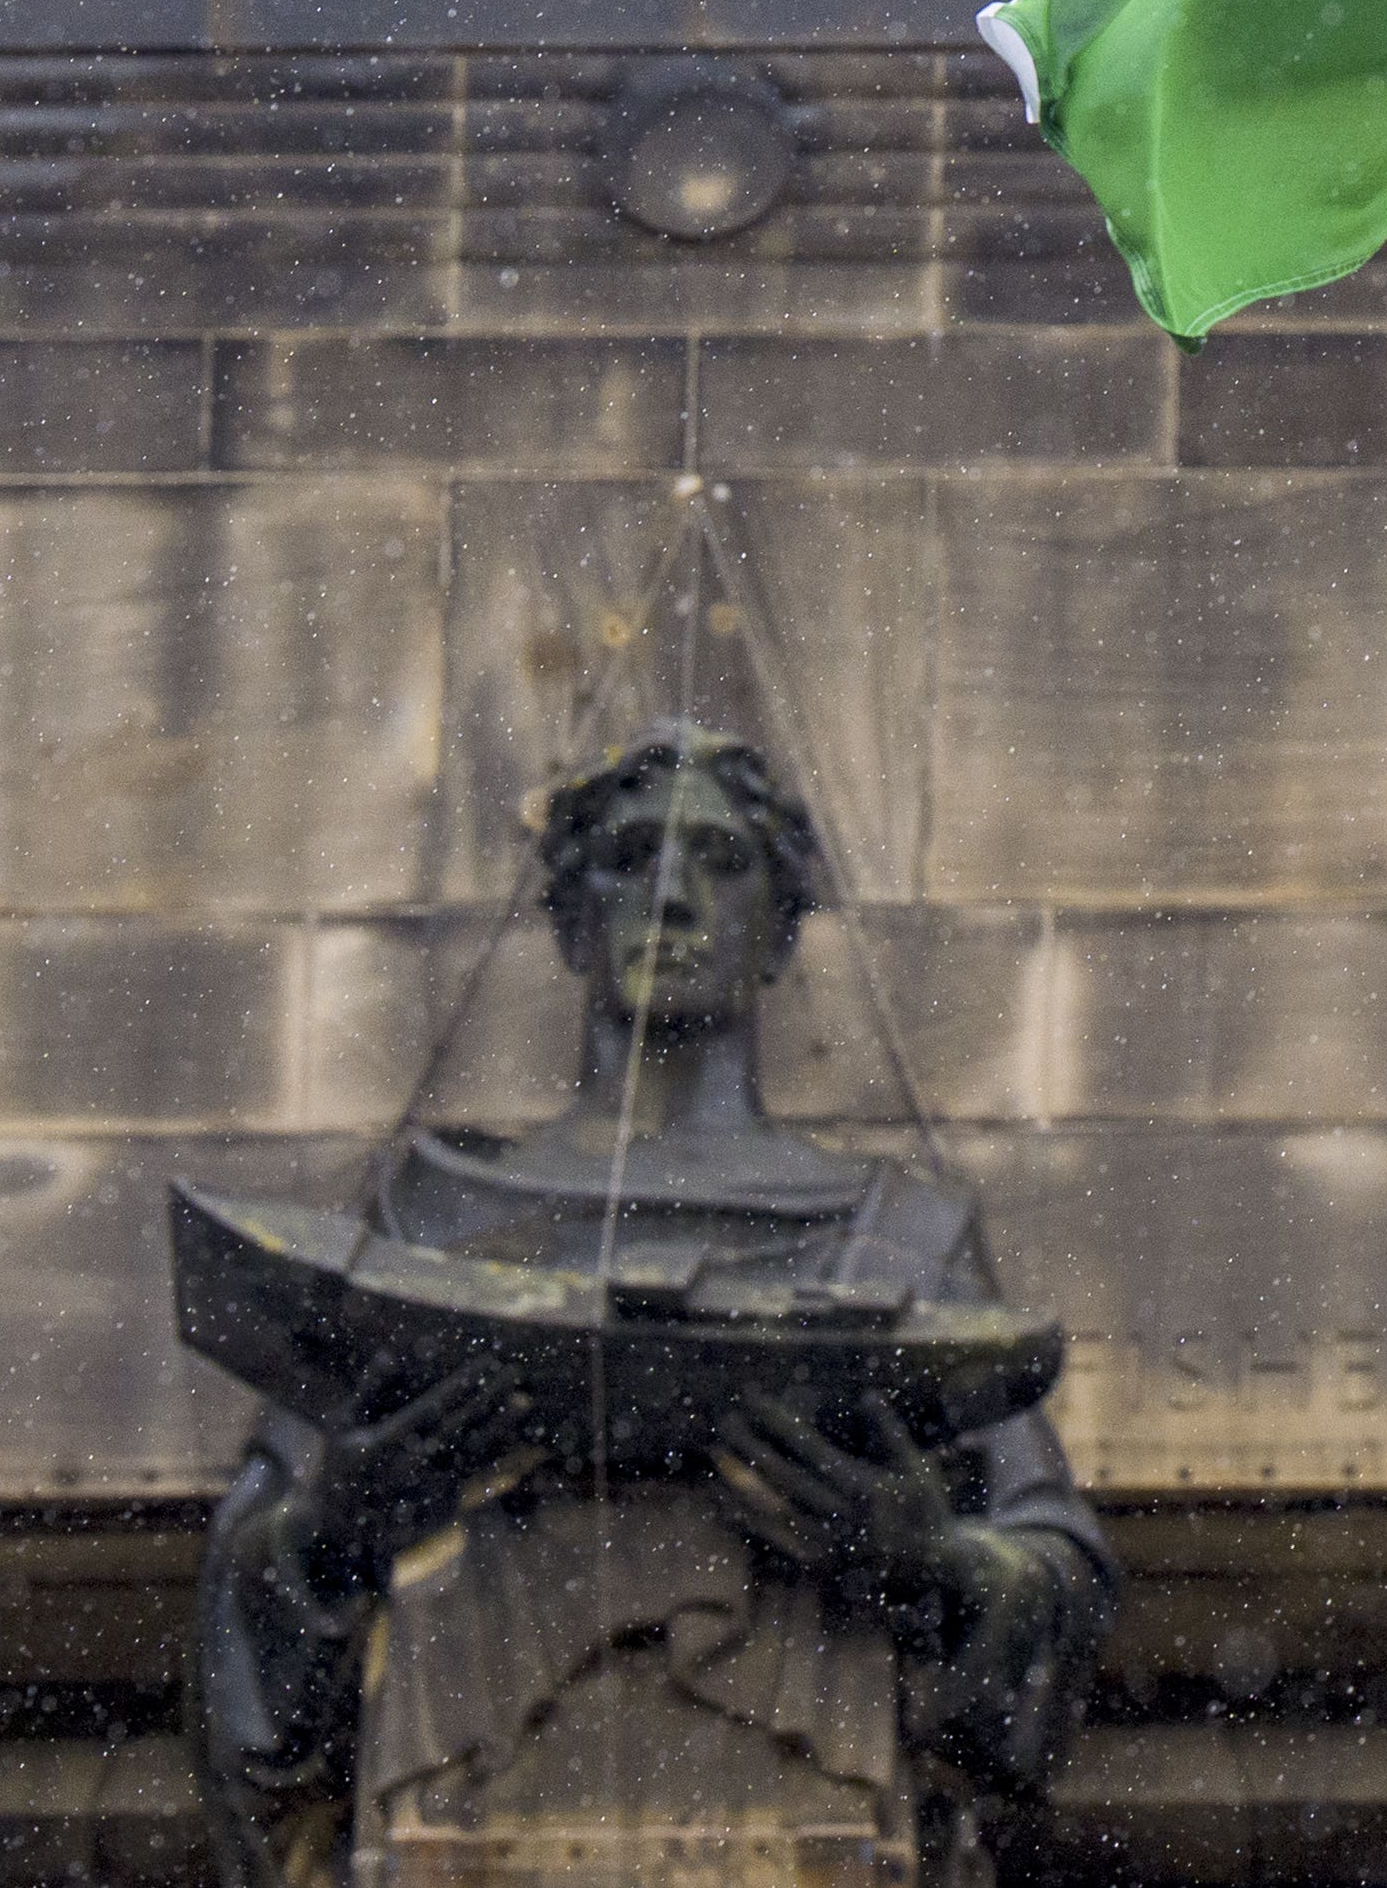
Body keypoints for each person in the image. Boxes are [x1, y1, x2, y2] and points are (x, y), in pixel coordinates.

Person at [195, 733, 1112, 1888]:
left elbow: (1055, 1566)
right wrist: (339, 1525)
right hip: (469, 1821)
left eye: (720, 861)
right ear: (572, 921)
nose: (671, 895)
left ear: (779, 931)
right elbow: (245, 1594)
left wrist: (927, 1559)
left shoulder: (900, 1232)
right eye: (631, 857)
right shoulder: (424, 1218)